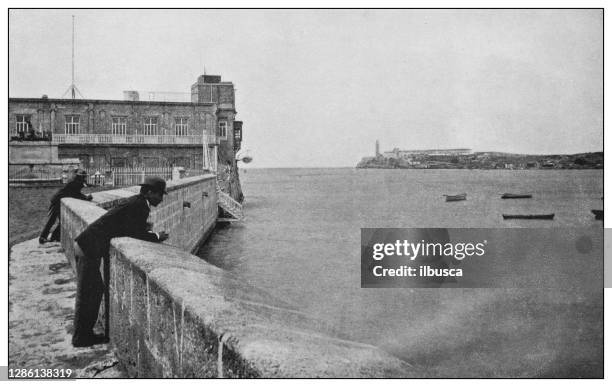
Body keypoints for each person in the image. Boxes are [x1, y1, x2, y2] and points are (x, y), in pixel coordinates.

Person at [72, 176, 169, 347]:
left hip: (85, 245)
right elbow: (136, 233)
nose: (161, 199)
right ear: (149, 193)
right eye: (159, 195)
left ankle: (83, 335)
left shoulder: (137, 203)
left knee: (92, 291)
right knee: (89, 293)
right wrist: (156, 236)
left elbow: (128, 226)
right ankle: (81, 338)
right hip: (87, 248)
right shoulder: (140, 206)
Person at [39, 169, 93, 244]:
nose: (84, 178)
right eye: (83, 177)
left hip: (59, 200)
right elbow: (76, 194)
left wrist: (86, 197)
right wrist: (86, 198)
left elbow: (77, 193)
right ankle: (43, 237)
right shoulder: (75, 183)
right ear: (79, 177)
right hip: (57, 200)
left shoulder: (76, 182)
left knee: (60, 221)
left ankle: (54, 237)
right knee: (52, 220)